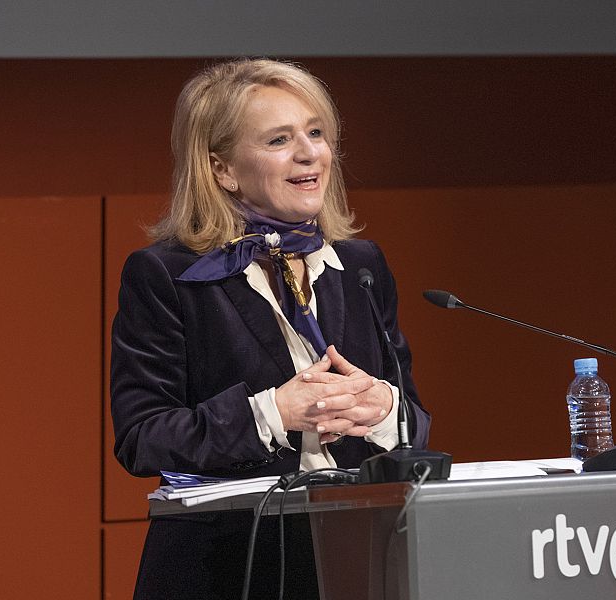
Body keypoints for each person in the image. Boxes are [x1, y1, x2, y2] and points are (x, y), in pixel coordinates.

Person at [110, 58, 432, 600]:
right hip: (228, 568)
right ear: (223, 170)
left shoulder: (360, 266)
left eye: (316, 132)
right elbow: (143, 438)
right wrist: (272, 414)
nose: (310, 153)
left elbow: (416, 424)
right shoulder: (167, 276)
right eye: (280, 139)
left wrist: (382, 410)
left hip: (359, 560)